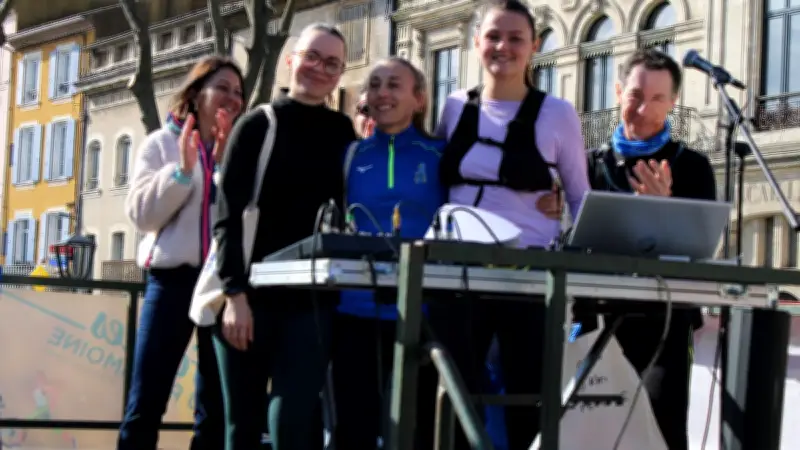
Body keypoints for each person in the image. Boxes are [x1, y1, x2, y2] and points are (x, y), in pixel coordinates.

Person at [430, 1, 590, 448]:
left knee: (528, 398)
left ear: (534, 47)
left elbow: (580, 196)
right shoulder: (454, 107)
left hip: (530, 278)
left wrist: (579, 257)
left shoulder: (557, 114)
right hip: (458, 274)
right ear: (476, 42)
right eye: (493, 36)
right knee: (455, 393)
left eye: (516, 38)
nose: (504, 47)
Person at [212, 23, 357, 450]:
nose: (319, 68)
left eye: (332, 63)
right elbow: (227, 216)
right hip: (251, 297)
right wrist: (235, 295)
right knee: (241, 424)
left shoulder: (342, 132)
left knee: (293, 417)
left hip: (310, 301)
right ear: (291, 60)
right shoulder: (257, 123)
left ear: (340, 73)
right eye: (311, 56)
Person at [585, 48, 714, 450]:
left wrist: (667, 208)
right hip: (599, 315)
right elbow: (574, 237)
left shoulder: (691, 166)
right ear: (619, 91)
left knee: (663, 427)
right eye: (636, 96)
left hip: (667, 318)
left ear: (674, 103)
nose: (644, 108)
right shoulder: (591, 164)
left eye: (658, 99)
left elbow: (702, 249)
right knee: (595, 427)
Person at [121, 55, 244, 450]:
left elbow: (240, 218)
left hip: (217, 283)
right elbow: (142, 216)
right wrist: (182, 172)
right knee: (147, 400)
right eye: (222, 87)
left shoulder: (238, 149)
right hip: (171, 281)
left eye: (238, 92)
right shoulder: (161, 143)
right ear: (196, 93)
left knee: (215, 407)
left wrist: (224, 165)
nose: (232, 98)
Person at [332, 57, 444, 450]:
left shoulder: (441, 154)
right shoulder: (349, 156)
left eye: (394, 84)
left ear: (418, 98)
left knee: (415, 432)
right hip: (354, 310)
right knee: (353, 429)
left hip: (421, 311)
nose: (382, 93)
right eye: (374, 84)